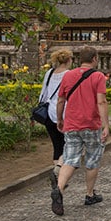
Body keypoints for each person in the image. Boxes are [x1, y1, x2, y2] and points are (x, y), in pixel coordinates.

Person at [50, 46, 109, 216]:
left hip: (72, 123)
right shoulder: (98, 76)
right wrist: (106, 125)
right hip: (91, 124)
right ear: (95, 59)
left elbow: (61, 100)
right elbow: (101, 102)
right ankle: (90, 194)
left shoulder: (68, 75)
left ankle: (59, 189)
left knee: (70, 159)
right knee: (92, 159)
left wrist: (60, 119)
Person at [39, 49, 73, 188]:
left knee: (57, 145)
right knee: (69, 144)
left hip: (47, 113)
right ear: (69, 60)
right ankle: (58, 169)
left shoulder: (49, 73)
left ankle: (58, 176)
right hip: (63, 113)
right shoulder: (70, 75)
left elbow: (43, 93)